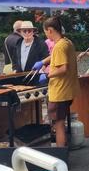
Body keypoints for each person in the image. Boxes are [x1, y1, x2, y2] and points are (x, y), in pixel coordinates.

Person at [34, 17, 80, 147]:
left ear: (50, 30)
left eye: (46, 32)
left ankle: (61, 155)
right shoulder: (66, 42)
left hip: (59, 91)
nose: (46, 35)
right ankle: (63, 151)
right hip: (67, 90)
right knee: (60, 122)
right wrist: (43, 62)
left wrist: (47, 75)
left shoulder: (59, 46)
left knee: (58, 124)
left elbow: (63, 68)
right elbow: (55, 55)